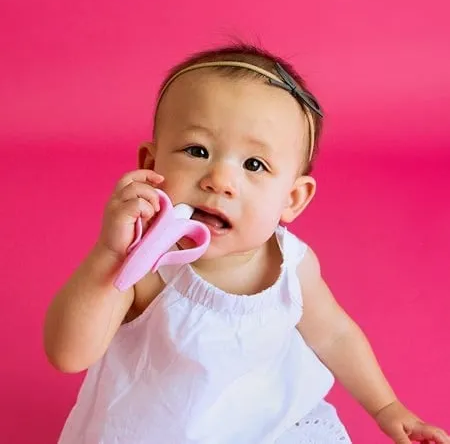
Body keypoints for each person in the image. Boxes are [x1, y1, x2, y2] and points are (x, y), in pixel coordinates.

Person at [44, 44, 450, 444]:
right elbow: (69, 355)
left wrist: (386, 407)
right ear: (151, 167)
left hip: (260, 425)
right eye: (196, 150)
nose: (219, 180)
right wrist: (110, 256)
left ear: (292, 199)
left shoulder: (293, 264)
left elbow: (335, 335)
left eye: (254, 165)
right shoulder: (146, 266)